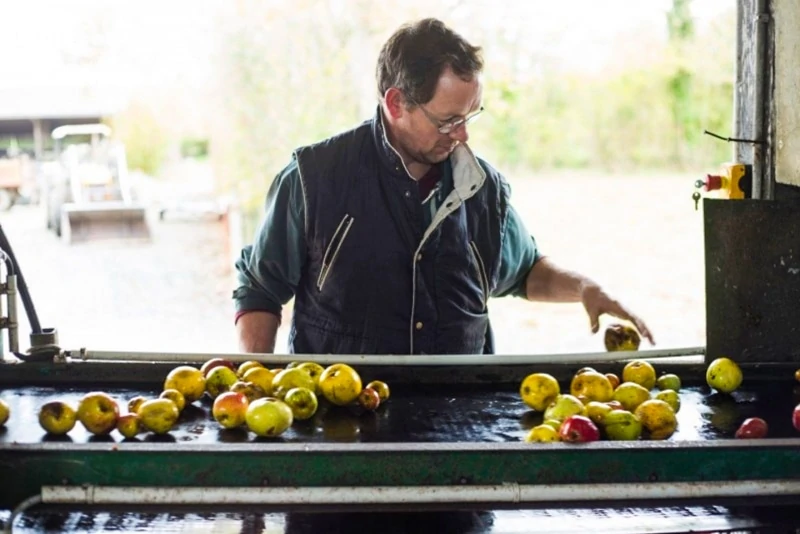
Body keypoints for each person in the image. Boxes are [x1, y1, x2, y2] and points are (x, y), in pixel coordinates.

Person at [233, 17, 654, 355]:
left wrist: (585, 288)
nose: (462, 136)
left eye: (470, 117)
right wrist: (258, 385)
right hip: (343, 425)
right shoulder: (313, 177)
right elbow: (260, 289)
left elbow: (524, 272)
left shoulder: (484, 189)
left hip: (464, 419)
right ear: (396, 103)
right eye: (448, 121)